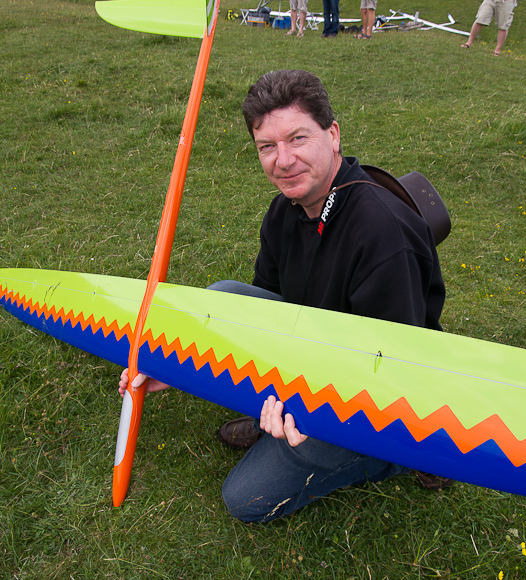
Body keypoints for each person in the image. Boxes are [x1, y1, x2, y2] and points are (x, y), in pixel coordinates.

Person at [119, 70, 446, 523]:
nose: (283, 160)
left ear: (333, 136)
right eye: (266, 147)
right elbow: (265, 316)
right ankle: (272, 420)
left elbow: (390, 371)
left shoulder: (382, 234)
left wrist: (301, 407)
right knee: (223, 299)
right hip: (314, 346)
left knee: (247, 499)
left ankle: (403, 459)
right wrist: (179, 368)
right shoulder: (285, 210)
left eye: (297, 138)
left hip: (383, 391)